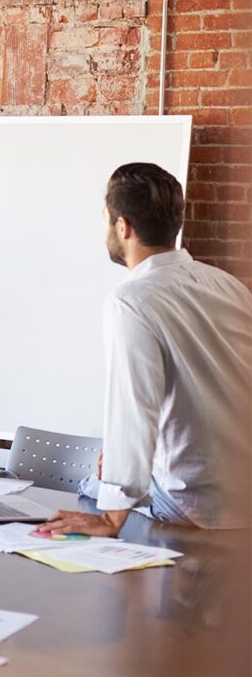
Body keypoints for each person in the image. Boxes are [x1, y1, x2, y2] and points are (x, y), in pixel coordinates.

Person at [39, 163, 252, 538]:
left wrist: (111, 517)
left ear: (123, 227)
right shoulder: (227, 285)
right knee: (111, 471)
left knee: (89, 489)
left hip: (194, 504)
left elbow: (135, 407)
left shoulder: (132, 299)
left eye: (106, 220)